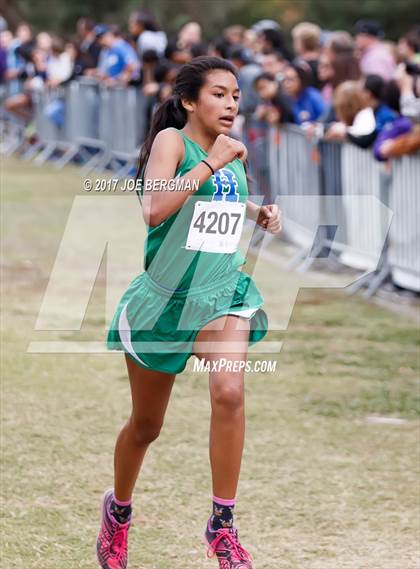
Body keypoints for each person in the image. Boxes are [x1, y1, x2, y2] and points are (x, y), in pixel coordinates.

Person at [97, 56, 282, 569]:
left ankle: (222, 526)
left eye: (236, 95)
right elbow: (155, 208)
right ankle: (119, 512)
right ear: (188, 101)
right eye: (219, 94)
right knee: (146, 426)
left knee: (229, 391)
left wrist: (258, 212)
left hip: (221, 293)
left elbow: (214, 203)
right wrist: (213, 162)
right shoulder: (173, 143)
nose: (230, 104)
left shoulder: (233, 153)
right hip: (163, 301)